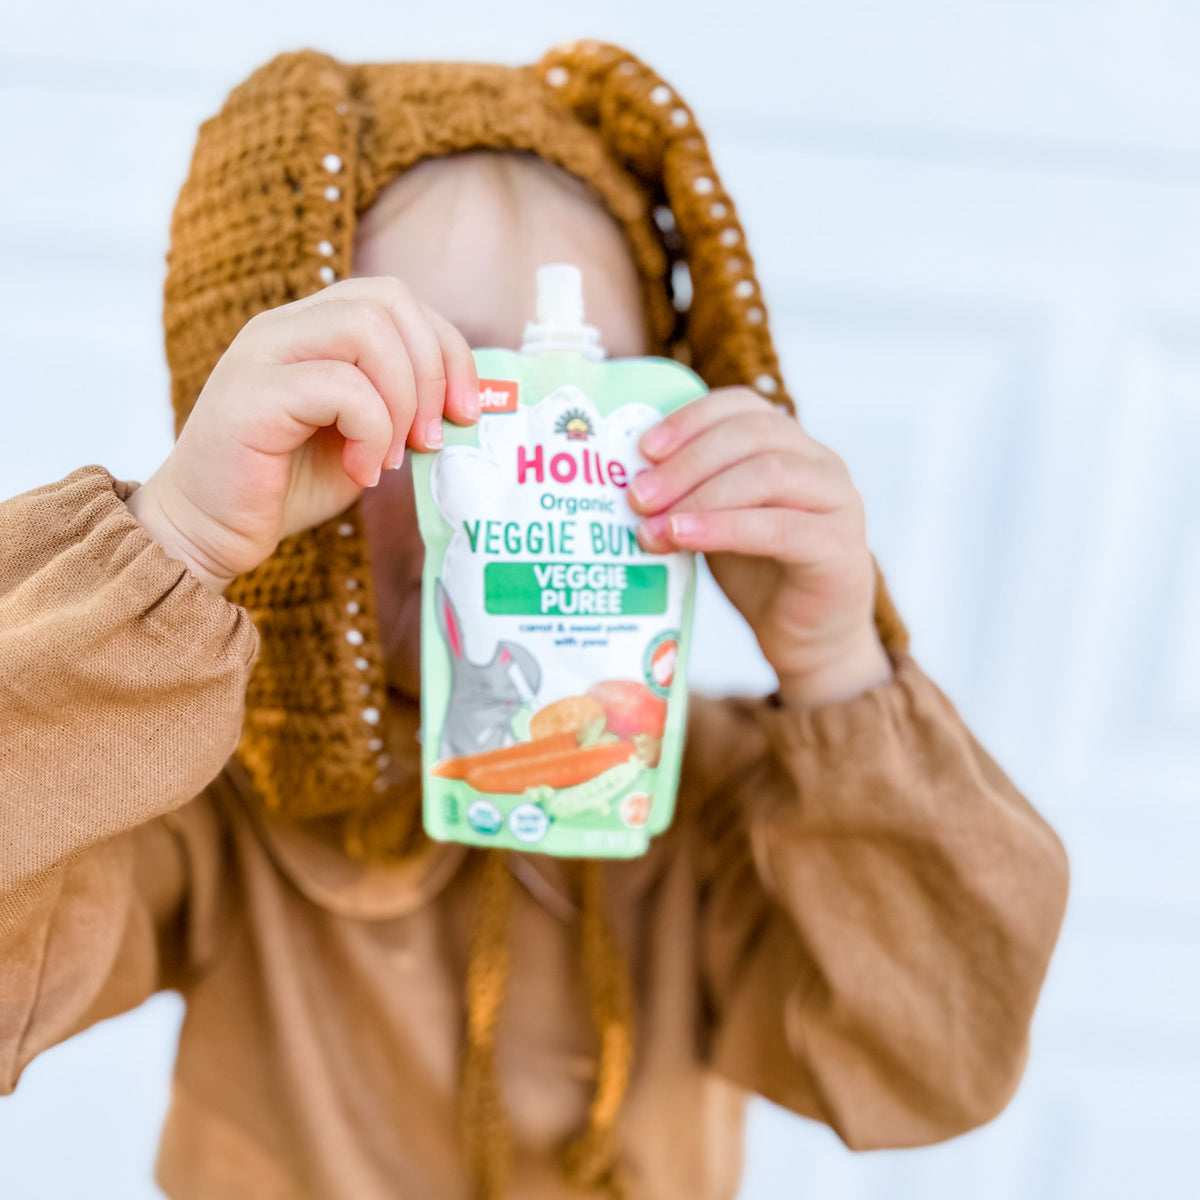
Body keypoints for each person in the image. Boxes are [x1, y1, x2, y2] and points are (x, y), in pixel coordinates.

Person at [0, 43, 1070, 1200]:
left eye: (579, 410)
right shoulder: (208, 791)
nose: (517, 481)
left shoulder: (714, 797)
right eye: (431, 400)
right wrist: (175, 545)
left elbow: (937, 1066)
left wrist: (838, 670)